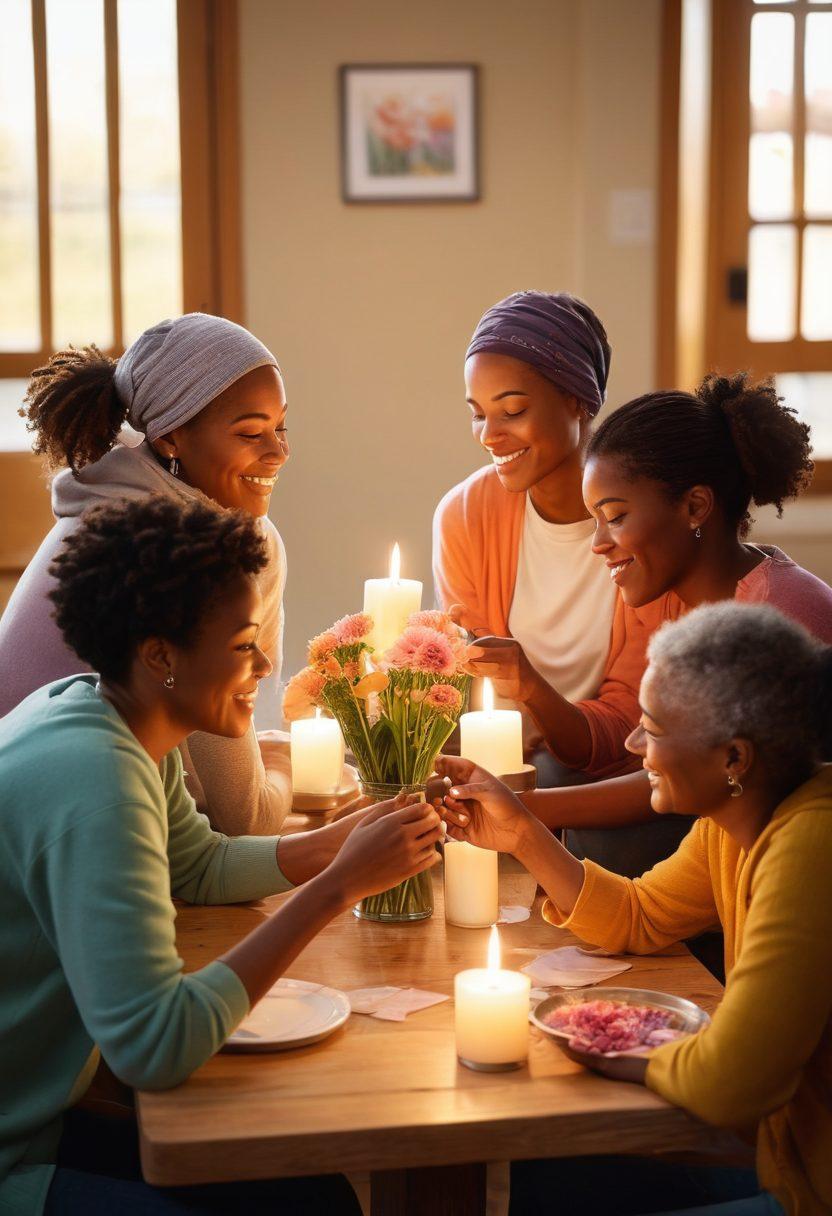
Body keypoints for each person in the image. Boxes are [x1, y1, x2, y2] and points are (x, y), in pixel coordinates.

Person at [0, 495, 442, 1216]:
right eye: (243, 644)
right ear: (160, 657)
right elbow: (156, 1043)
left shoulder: (101, 710)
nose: (265, 663)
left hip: (39, 1113)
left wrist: (330, 843)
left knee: (312, 1191)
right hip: (15, 1156)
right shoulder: (99, 782)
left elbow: (196, 865)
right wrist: (336, 886)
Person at [435, 601, 832, 1216]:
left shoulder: (811, 845)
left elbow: (730, 1083)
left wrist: (602, 1045)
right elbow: (640, 916)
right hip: (782, 1161)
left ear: (734, 759)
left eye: (653, 727)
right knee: (557, 1164)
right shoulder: (732, 821)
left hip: (809, 1190)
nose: (632, 742)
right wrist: (521, 834)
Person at [462, 371, 832, 876]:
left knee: (603, 842)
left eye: (614, 517)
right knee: (551, 781)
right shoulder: (660, 599)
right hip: (710, 818)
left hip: (786, 860)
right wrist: (529, 692)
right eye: (594, 519)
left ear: (695, 506)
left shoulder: (778, 617)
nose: (598, 543)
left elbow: (699, 775)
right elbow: (629, 741)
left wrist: (525, 812)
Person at [0, 312, 309, 834]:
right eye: (251, 432)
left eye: (281, 426)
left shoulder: (124, 515)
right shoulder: (169, 559)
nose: (279, 451)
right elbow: (243, 819)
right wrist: (286, 765)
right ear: (169, 438)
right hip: (70, 845)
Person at [433, 290, 687, 876]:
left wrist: (532, 687)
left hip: (618, 764)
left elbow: (621, 730)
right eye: (478, 413)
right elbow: (479, 697)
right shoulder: (465, 516)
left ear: (577, 400)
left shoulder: (646, 525)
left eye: (512, 409)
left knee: (575, 816)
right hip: (512, 754)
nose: (489, 435)